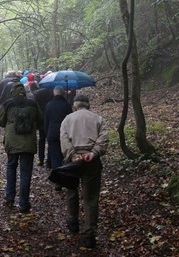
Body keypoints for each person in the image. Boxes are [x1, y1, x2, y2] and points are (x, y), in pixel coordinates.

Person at [60, 94, 109, 249]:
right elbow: (104, 138)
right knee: (91, 198)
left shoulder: (67, 119)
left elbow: (64, 139)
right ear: (88, 105)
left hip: (72, 161)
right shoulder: (98, 119)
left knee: (72, 191)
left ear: (75, 105)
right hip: (92, 162)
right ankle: (90, 235)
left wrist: (73, 155)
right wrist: (93, 153)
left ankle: (73, 221)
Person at [0, 83, 43, 213]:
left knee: (11, 167)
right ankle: (23, 203)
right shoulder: (33, 104)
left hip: (12, 142)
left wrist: (9, 123)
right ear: (24, 92)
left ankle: (10, 196)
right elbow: (41, 121)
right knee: (26, 172)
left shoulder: (8, 103)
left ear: (13, 92)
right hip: (28, 143)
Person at [44, 86, 73, 176]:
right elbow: (70, 120)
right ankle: (66, 175)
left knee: (55, 156)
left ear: (54, 93)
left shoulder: (49, 105)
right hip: (65, 133)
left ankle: (57, 178)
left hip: (52, 132)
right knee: (65, 155)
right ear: (63, 93)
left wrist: (46, 133)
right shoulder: (67, 105)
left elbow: (46, 121)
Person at [34, 86, 54, 166]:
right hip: (51, 119)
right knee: (50, 140)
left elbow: (35, 105)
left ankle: (41, 159)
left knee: (41, 140)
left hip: (41, 119)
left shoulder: (38, 93)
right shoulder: (52, 92)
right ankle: (49, 160)